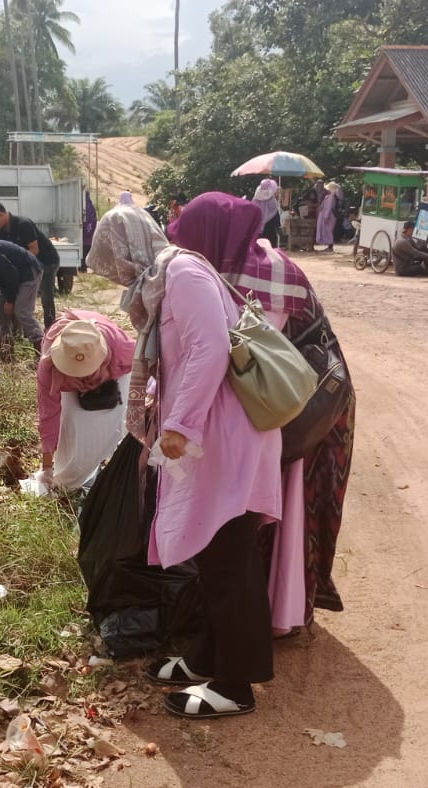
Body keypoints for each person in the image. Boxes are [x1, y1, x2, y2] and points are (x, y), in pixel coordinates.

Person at [86, 202, 283, 719]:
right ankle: (206, 655)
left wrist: (179, 425)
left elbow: (211, 347)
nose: (118, 275)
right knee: (213, 552)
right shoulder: (162, 281)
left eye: (116, 263)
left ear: (131, 248)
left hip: (225, 434)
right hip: (210, 435)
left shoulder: (180, 272)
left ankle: (237, 683)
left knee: (229, 556)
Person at [171, 192, 357, 636]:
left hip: (242, 420)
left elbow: (205, 354)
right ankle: (285, 613)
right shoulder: (286, 268)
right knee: (290, 511)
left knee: (231, 526)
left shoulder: (208, 278)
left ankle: (232, 633)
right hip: (298, 409)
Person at [36, 311, 135, 490]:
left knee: (114, 421)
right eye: (76, 371)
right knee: (72, 421)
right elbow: (48, 415)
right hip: (67, 375)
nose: (83, 378)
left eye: (86, 371)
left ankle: (109, 465)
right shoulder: (50, 367)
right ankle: (71, 477)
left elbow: (144, 373)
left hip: (114, 370)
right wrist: (47, 467)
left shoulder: (121, 348)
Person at [0, 200, 61, 328]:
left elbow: (34, 250)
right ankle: (18, 330)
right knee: (17, 297)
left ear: (1, 214)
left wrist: (16, 267)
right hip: (26, 265)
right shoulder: (1, 232)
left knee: (46, 297)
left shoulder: (23, 224)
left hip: (46, 262)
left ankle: (50, 329)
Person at [253, 178, 281, 246]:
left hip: (256, 232)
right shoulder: (272, 202)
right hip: (270, 233)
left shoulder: (255, 201)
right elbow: (276, 218)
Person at [315, 181, 342, 252]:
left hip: (329, 216)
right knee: (327, 230)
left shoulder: (332, 197)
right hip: (326, 215)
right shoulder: (329, 196)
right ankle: (329, 246)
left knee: (329, 231)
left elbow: (329, 207)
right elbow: (324, 206)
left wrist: (326, 216)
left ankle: (330, 246)